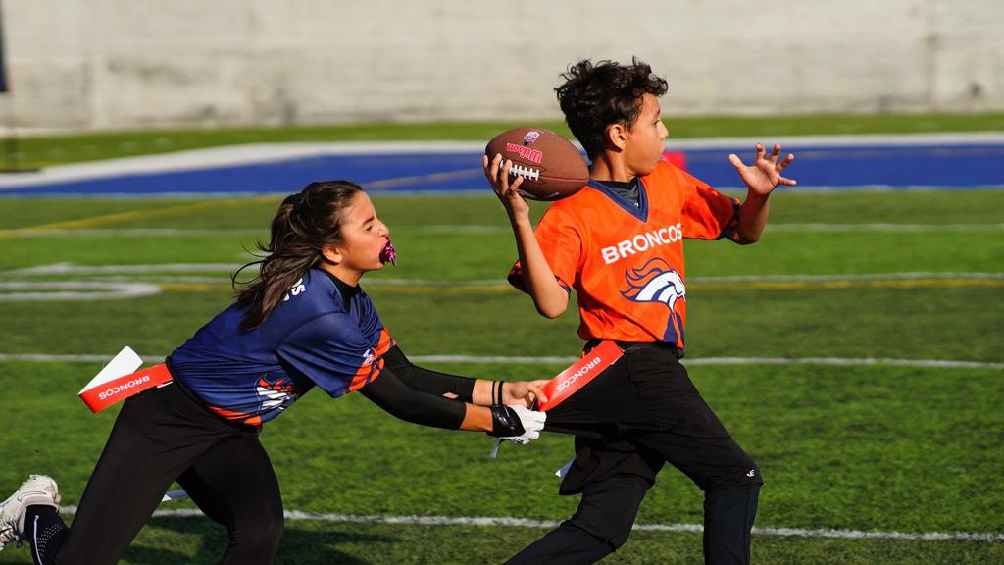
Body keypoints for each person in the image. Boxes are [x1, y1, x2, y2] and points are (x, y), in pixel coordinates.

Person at [0, 180, 548, 565]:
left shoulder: (349, 299)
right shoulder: (320, 315)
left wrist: (503, 392)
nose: (385, 231)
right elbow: (398, 401)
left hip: (230, 430)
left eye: (378, 218)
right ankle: (36, 513)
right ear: (334, 250)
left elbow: (401, 372)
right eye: (369, 224)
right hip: (166, 421)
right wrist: (498, 422)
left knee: (258, 534)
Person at [483, 58, 797, 564]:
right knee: (735, 479)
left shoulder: (668, 183)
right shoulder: (570, 214)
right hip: (632, 367)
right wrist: (519, 217)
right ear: (618, 134)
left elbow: (742, 230)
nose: (665, 130)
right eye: (655, 121)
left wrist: (758, 197)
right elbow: (551, 303)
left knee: (600, 528)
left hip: (635, 374)